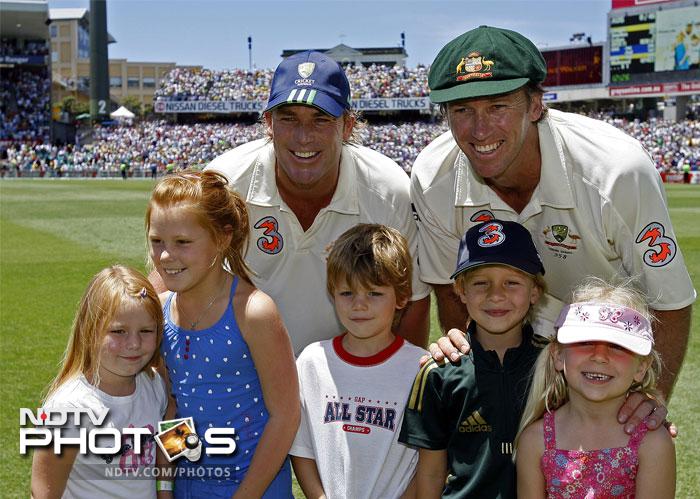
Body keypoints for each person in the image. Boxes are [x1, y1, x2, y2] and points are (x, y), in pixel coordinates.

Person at [411, 25, 695, 403]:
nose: (479, 130)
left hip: (604, 343)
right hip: (512, 338)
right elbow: (450, 291)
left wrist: (652, 398)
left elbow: (669, 298)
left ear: (535, 104)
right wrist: (480, 380)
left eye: (497, 106)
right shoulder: (433, 177)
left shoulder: (615, 170)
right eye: (462, 110)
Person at [206, 50, 430, 355]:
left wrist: (400, 388)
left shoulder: (388, 191)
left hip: (348, 383)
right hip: (245, 375)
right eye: (289, 119)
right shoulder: (226, 181)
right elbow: (181, 268)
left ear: (348, 125)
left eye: (320, 119)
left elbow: (414, 300)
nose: (303, 137)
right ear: (269, 122)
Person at [146, 170, 299, 498]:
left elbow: (285, 416)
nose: (165, 256)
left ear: (222, 238)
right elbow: (176, 405)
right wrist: (165, 485)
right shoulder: (160, 312)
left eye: (183, 243)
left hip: (256, 488)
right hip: (189, 488)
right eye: (156, 241)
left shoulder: (253, 312)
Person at [399, 220, 546, 498]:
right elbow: (431, 472)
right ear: (461, 291)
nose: (496, 295)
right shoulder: (439, 371)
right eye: (481, 283)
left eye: (512, 282)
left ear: (535, 291)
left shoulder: (554, 364)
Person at [290, 224, 427, 499]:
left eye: (374, 293)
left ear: (401, 297)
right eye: (347, 293)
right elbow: (302, 450)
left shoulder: (421, 369)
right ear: (332, 293)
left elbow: (429, 461)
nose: (359, 305)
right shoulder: (312, 362)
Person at [515, 279, 675, 498]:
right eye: (585, 342)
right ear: (558, 355)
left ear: (642, 368)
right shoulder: (535, 441)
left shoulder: (653, 443)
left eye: (618, 346)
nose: (600, 356)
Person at [31, 265, 167, 499]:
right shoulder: (70, 408)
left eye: (145, 330)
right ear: (90, 331)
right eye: (119, 331)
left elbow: (169, 440)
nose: (134, 343)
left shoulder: (153, 385)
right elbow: (43, 492)